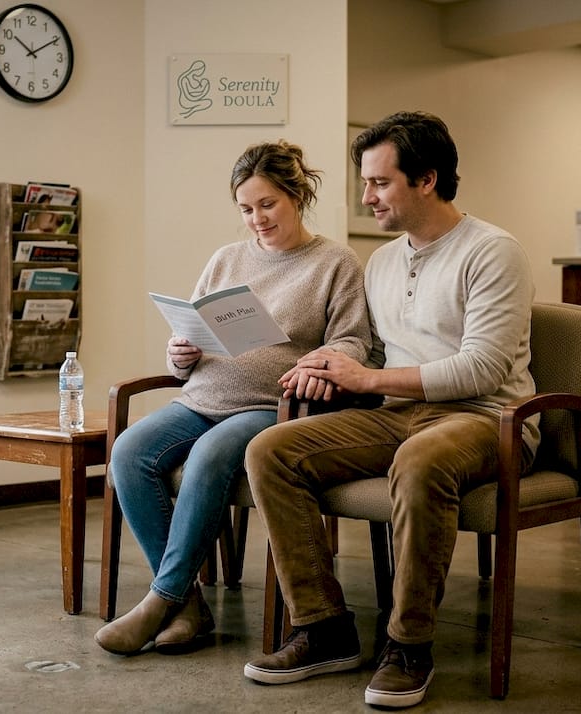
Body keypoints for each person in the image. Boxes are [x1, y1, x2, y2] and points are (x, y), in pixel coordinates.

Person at [241, 111, 538, 709]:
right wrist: (327, 363)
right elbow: (373, 352)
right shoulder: (380, 262)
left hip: (487, 418)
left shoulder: (493, 251)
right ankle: (324, 627)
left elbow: (480, 369)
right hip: (399, 414)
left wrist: (368, 375)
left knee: (420, 459)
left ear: (426, 179)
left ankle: (409, 644)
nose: (365, 195)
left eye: (378, 182)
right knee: (271, 450)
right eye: (365, 182)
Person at [95, 140, 373, 656]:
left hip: (269, 407)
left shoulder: (335, 261)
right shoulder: (225, 259)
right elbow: (190, 340)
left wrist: (322, 360)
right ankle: (187, 605)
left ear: (297, 195)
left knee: (208, 456)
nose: (257, 219)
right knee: (128, 453)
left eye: (267, 205)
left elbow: (354, 340)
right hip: (201, 396)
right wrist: (179, 353)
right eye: (246, 209)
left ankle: (160, 602)